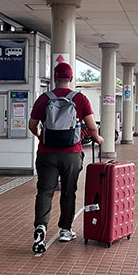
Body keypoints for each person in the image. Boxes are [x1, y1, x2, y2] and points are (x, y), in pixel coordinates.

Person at [28, 62, 102, 255]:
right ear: (70, 78)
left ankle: (41, 227)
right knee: (69, 192)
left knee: (45, 192)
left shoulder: (44, 99)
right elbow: (92, 127)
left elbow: (32, 125)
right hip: (71, 153)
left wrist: (40, 137)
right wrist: (98, 137)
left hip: (46, 154)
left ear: (55, 78)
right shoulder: (80, 99)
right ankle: (65, 230)